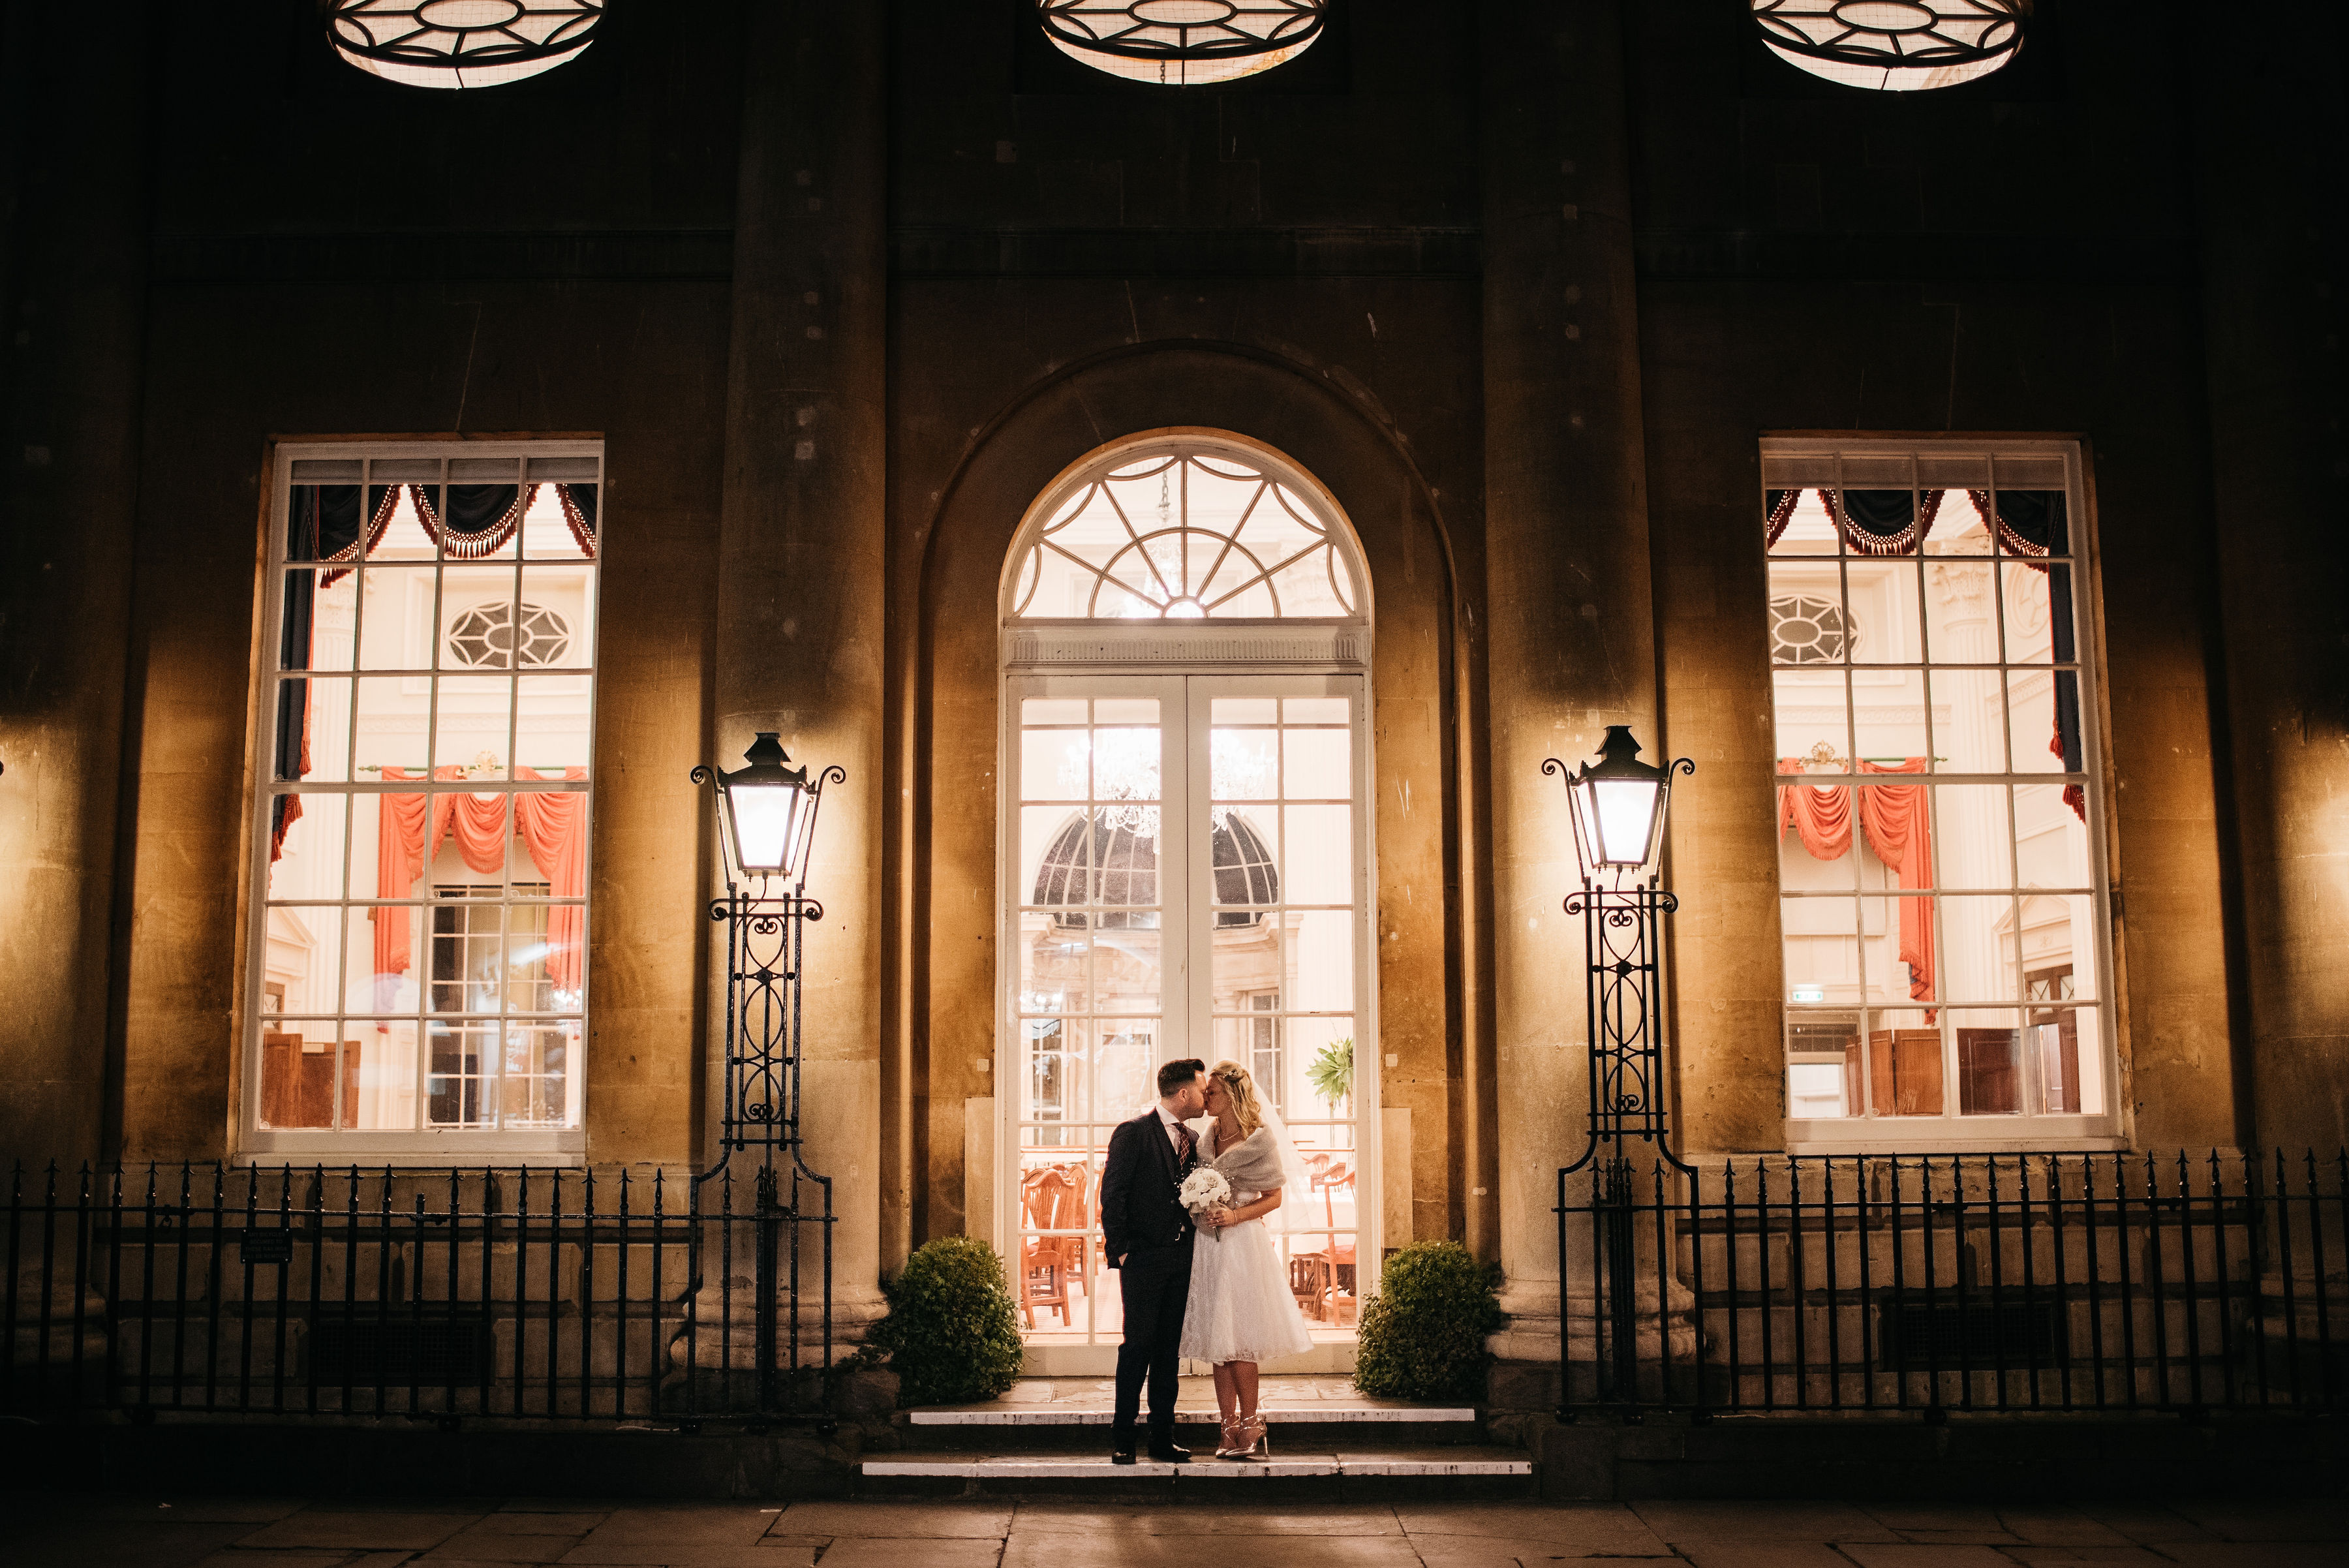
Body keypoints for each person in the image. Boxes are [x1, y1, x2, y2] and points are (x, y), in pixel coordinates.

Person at [1180, 1058, 1315, 1460]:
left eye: (1213, 1092)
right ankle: (1228, 1424)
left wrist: (1235, 1214)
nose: (1206, 1097)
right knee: (1218, 1342)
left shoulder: (1259, 1140)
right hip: (1208, 1245)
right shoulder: (1205, 1139)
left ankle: (1253, 1420)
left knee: (1240, 1339)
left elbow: (1273, 1197)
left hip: (1241, 1244)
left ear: (1232, 1095)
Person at [1098, 1056, 1208, 1464]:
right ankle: (1123, 1438)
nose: (1205, 1095)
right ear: (1182, 1093)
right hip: (1143, 1260)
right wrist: (1123, 1251)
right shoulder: (1133, 1133)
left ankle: (1163, 1438)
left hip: (1183, 1260)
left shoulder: (1194, 1139)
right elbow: (1113, 1195)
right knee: (1137, 1348)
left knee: (1169, 1352)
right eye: (1200, 1089)